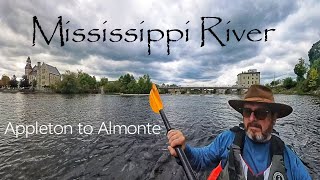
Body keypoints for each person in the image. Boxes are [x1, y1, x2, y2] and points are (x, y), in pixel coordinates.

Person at [167, 85, 311, 180]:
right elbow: (201, 160)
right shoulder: (227, 139)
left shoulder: (289, 160)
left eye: (261, 113)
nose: (252, 118)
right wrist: (185, 149)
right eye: (248, 112)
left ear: (274, 118)